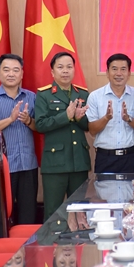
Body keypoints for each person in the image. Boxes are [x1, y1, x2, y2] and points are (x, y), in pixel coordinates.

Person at [0, 54, 39, 232]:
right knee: (2, 217)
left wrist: (28, 120)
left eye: (15, 70)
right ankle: (3, 248)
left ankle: (27, 248)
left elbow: (40, 127)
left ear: (22, 74)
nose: (11, 74)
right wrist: (10, 119)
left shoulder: (32, 97)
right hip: (1, 167)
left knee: (28, 215)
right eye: (6, 70)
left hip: (27, 164)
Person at [35, 51, 90, 221]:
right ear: (52, 72)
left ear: (74, 70)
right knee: (54, 213)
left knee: (80, 212)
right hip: (55, 163)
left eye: (69, 67)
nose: (65, 71)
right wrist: (65, 116)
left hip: (78, 161)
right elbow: (40, 125)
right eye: (60, 67)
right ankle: (53, 239)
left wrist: (79, 118)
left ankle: (78, 239)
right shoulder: (44, 95)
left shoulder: (83, 94)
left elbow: (88, 126)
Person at [87, 53, 134, 174]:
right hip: (105, 158)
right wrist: (106, 118)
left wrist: (128, 119)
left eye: (123, 69)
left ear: (129, 73)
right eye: (114, 69)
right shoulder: (95, 96)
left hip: (131, 157)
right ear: (107, 72)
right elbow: (92, 130)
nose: (119, 73)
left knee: (132, 187)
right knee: (103, 187)